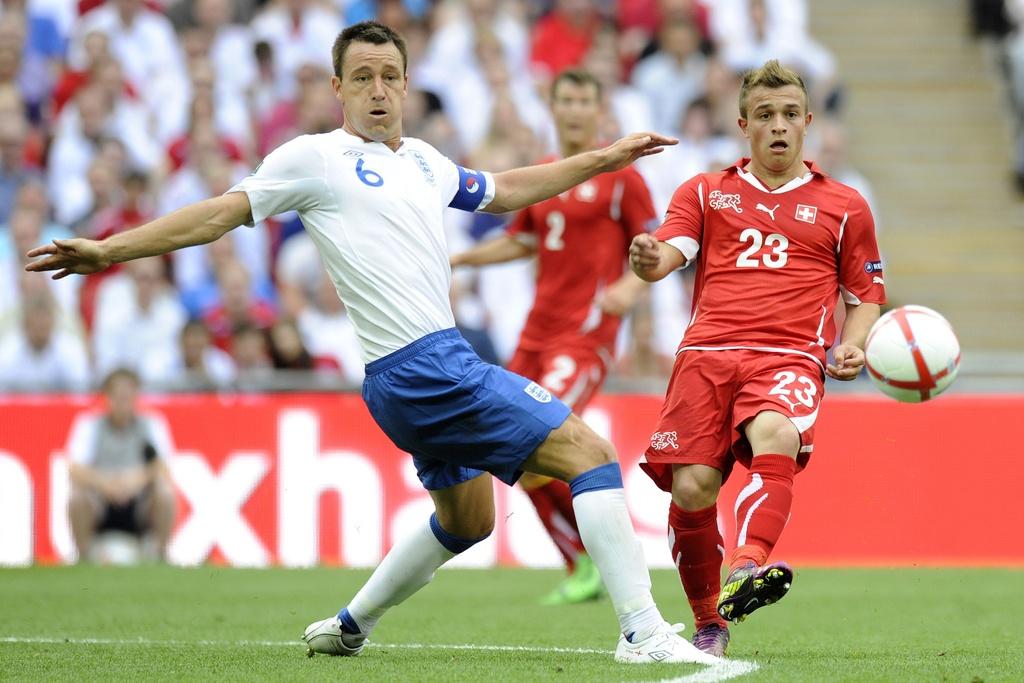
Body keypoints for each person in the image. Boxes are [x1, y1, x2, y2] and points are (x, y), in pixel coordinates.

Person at [26, 21, 716, 666]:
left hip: (406, 378)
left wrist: (603, 156)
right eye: (362, 77)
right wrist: (110, 248)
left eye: (390, 75)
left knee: (470, 517)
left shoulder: (422, 160)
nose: (378, 89)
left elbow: (505, 191)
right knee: (590, 453)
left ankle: (350, 624)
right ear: (337, 89)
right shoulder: (315, 159)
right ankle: (644, 631)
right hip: (427, 366)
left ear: (408, 85)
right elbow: (219, 213)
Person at [628, 59, 886, 657]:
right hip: (705, 356)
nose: (779, 126)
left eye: (790, 115)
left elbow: (866, 295)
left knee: (776, 433)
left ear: (808, 122)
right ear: (743, 125)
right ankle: (709, 622)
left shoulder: (844, 205)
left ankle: (747, 566)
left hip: (789, 355)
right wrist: (648, 262)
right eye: (765, 116)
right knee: (692, 489)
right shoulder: (705, 191)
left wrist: (852, 343)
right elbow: (670, 252)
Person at [450, 68, 656, 606]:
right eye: (564, 99)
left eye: (583, 100)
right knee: (507, 445)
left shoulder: (622, 177)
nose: (573, 110)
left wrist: (629, 292)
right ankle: (583, 563)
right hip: (536, 332)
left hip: (586, 335)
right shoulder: (544, 173)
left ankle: (600, 561)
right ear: (553, 106)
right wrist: (463, 257)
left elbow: (656, 246)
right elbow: (523, 243)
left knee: (539, 439)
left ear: (597, 107)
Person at [66, 367, 177, 562]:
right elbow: (74, 469)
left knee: (165, 492)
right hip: (100, 501)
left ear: (136, 396)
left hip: (139, 501)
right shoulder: (90, 424)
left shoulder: (151, 424)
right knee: (78, 496)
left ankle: (160, 553)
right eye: (117, 396)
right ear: (106, 397)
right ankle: (83, 555)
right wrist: (106, 484)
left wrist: (135, 481)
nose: (122, 402)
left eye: (127, 395)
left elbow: (163, 465)